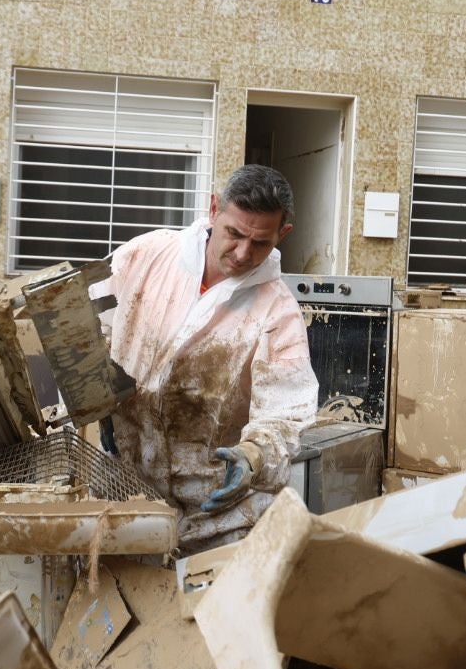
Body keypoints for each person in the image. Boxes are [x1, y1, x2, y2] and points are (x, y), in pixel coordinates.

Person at [105, 164, 318, 552]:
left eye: (260, 243)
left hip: (217, 513)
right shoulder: (147, 256)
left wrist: (252, 457)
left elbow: (286, 413)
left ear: (282, 234)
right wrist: (99, 398)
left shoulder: (278, 311)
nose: (241, 253)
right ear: (214, 208)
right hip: (127, 493)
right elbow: (88, 332)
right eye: (234, 234)